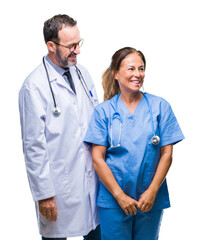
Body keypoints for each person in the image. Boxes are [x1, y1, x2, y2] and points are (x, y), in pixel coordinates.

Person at [84, 47, 184, 240]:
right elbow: (97, 158)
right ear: (115, 73)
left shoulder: (159, 107)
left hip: (150, 198)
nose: (138, 74)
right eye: (131, 69)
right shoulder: (103, 112)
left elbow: (167, 154)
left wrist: (153, 191)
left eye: (141, 68)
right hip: (113, 200)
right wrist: (119, 196)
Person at [19, 14, 101, 240]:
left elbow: (95, 119)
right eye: (71, 46)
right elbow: (33, 146)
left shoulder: (82, 73)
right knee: (56, 234)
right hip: (58, 185)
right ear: (51, 45)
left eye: (79, 43)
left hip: (90, 178)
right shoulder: (33, 87)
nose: (78, 50)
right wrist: (44, 194)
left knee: (96, 232)